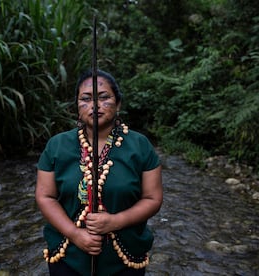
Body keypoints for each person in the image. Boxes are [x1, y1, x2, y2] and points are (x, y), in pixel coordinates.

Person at [35, 69, 163, 276]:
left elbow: (153, 198)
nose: (95, 105)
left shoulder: (140, 146)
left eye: (104, 98)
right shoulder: (57, 146)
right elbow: (45, 196)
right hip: (68, 254)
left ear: (118, 103)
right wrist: (75, 234)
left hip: (126, 255)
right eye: (85, 99)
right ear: (77, 106)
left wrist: (115, 221)